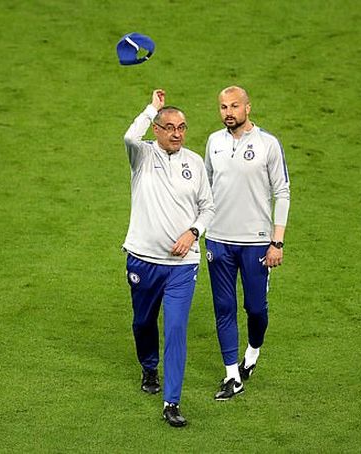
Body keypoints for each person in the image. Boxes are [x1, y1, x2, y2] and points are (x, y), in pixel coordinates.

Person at [122, 89, 215, 426]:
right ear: (157, 131)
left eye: (182, 127)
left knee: (175, 329)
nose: (178, 133)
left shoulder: (195, 162)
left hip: (183, 264)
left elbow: (208, 206)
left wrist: (193, 232)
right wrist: (152, 108)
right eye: (171, 127)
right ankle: (149, 367)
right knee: (143, 323)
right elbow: (129, 135)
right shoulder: (142, 156)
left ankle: (171, 402)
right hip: (143, 259)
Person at [204, 86, 290, 400]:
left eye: (234, 106)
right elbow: (206, 188)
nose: (228, 112)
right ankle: (231, 375)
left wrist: (276, 242)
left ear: (248, 108)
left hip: (255, 242)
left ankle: (252, 353)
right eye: (223, 107)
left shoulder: (268, 144)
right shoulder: (213, 142)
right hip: (218, 240)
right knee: (223, 308)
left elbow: (282, 192)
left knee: (255, 308)